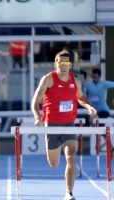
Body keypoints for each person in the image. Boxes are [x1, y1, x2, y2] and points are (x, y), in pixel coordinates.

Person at [31, 50, 96, 200]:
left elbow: (81, 97)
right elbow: (35, 100)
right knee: (54, 163)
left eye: (66, 63)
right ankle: (54, 149)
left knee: (71, 157)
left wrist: (88, 107)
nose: (64, 66)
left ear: (70, 65)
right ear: (56, 64)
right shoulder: (48, 79)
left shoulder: (76, 81)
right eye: (61, 63)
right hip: (51, 124)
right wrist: (37, 117)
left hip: (68, 124)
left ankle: (69, 192)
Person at [83, 68, 114, 155]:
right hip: (94, 110)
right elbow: (83, 95)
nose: (94, 79)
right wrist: (82, 86)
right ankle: (110, 147)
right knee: (101, 128)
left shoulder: (104, 84)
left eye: (96, 77)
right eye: (93, 77)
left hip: (104, 110)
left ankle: (99, 138)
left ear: (99, 77)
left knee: (93, 120)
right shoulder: (88, 85)